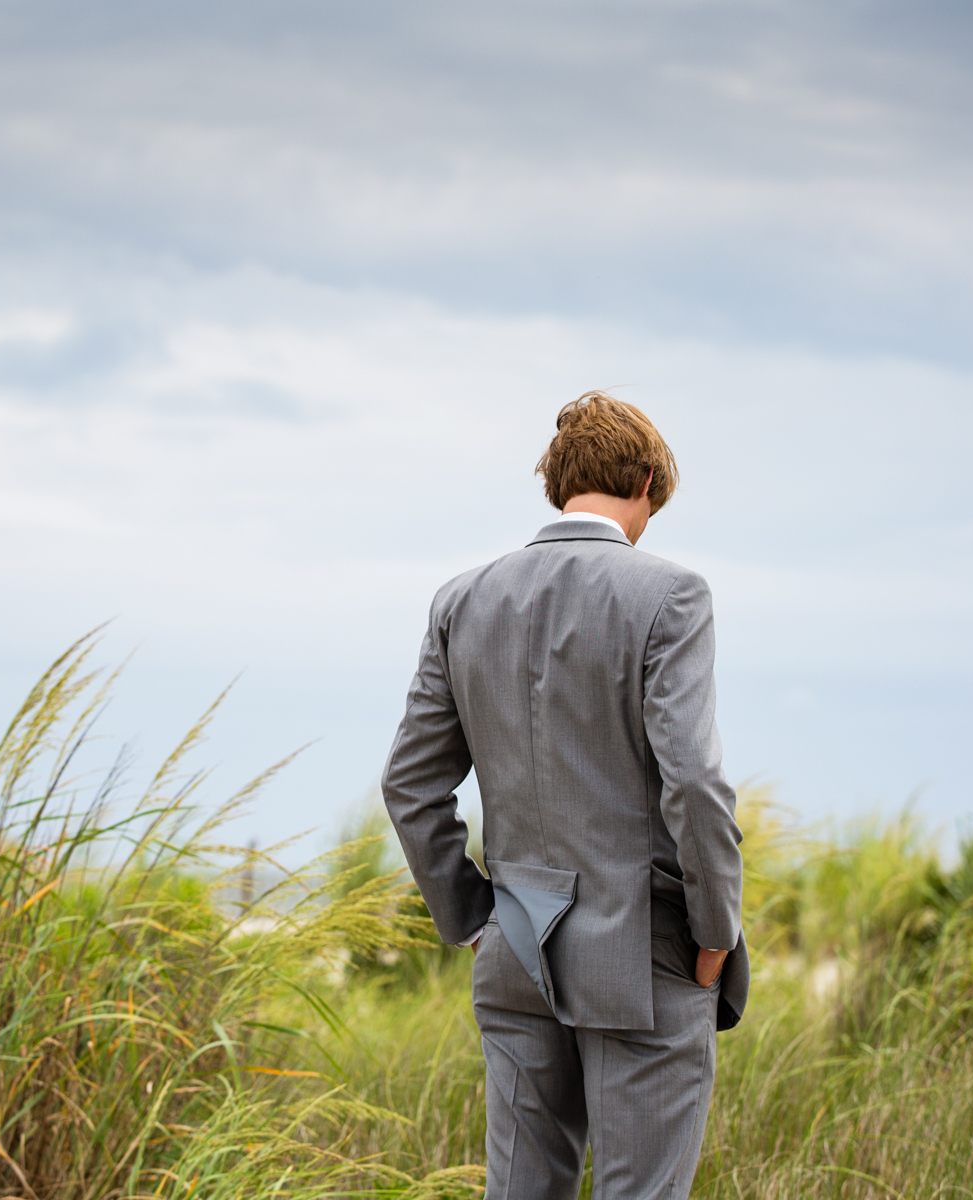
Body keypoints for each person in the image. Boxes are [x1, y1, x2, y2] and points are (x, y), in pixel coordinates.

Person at [381, 391, 747, 1200]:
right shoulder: (671, 596)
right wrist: (715, 933)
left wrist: (471, 917)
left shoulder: (461, 600)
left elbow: (409, 783)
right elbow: (694, 782)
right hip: (650, 956)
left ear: (557, 482)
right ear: (647, 480)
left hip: (513, 949)